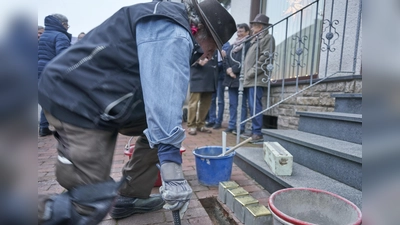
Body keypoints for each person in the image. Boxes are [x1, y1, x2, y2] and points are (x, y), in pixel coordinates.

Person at [37, 0, 236, 224]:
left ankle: (129, 197)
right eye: (211, 48)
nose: (208, 56)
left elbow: (161, 104)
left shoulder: (172, 26)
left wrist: (166, 144)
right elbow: (164, 92)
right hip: (74, 97)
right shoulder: (171, 31)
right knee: (89, 203)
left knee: (161, 132)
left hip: (106, 100)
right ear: (201, 32)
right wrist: (173, 173)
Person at [37, 14, 71, 137]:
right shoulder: (60, 35)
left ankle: (44, 127)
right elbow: (63, 57)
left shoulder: (45, 35)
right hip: (52, 70)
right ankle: (64, 126)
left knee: (46, 99)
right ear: (62, 24)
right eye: (67, 24)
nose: (67, 27)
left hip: (40, 69)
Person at [243, 14, 275, 143]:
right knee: (252, 105)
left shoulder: (267, 38)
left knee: (255, 105)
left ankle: (257, 132)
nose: (251, 27)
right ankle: (254, 131)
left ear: (260, 26)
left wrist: (250, 73)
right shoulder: (255, 39)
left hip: (256, 78)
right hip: (250, 79)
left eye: (254, 25)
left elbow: (265, 59)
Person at [223, 23, 251, 134]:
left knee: (242, 105)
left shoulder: (248, 44)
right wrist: (229, 71)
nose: (239, 34)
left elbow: (246, 61)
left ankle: (241, 127)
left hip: (240, 78)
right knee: (232, 104)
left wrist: (234, 70)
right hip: (231, 79)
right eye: (238, 31)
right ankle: (231, 125)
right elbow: (226, 60)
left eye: (241, 31)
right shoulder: (232, 46)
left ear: (247, 32)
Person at [187, 50, 218, 135]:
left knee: (206, 104)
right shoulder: (196, 43)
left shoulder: (213, 45)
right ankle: (191, 125)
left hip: (210, 77)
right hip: (197, 76)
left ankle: (201, 124)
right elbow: (187, 56)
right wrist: (197, 61)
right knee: (193, 103)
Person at [206, 42, 230, 129]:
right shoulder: (213, 44)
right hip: (212, 75)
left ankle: (218, 121)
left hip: (221, 76)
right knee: (212, 99)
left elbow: (225, 60)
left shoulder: (226, 45)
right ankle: (212, 120)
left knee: (220, 100)